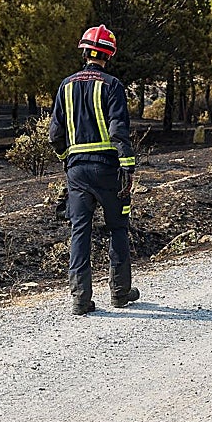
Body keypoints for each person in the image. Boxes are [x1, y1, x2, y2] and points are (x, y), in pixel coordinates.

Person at [48, 24, 138, 315]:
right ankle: (121, 293)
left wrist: (66, 158)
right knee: (118, 227)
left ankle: (80, 299)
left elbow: (55, 134)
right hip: (108, 170)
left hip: (76, 172)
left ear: (85, 51)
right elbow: (118, 129)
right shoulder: (112, 86)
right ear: (108, 56)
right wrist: (128, 166)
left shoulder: (66, 85)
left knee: (79, 232)